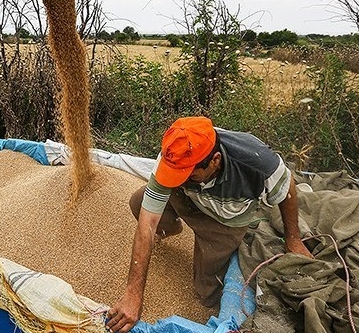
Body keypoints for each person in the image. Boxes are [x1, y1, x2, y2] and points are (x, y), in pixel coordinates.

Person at [105, 116, 313, 333]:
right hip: (190, 198)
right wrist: (133, 293)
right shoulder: (175, 155)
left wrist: (293, 239)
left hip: (226, 221)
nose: (181, 178)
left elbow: (287, 188)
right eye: (176, 175)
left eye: (188, 175)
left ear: (214, 160)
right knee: (138, 203)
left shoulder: (257, 161)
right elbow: (147, 223)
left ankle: (211, 249)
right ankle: (174, 226)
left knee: (207, 292)